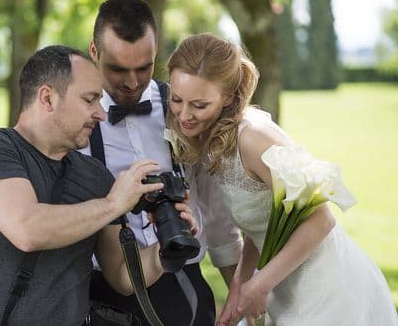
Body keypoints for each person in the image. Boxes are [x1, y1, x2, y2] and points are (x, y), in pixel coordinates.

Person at [0, 45, 196, 325]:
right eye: (90, 100)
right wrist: (114, 203)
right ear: (48, 98)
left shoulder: (95, 176)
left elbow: (122, 275)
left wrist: (165, 251)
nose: (100, 114)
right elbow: (28, 229)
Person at [164, 33, 398, 326]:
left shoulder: (253, 138)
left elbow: (321, 220)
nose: (184, 115)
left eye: (199, 105)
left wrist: (260, 286)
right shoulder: (217, 141)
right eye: (176, 100)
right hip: (284, 286)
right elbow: (262, 218)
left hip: (325, 289)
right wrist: (240, 285)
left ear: (227, 97)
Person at [80, 0, 243, 326]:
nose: (131, 82)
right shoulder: (76, 121)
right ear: (94, 53)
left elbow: (220, 223)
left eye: (144, 68)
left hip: (185, 287)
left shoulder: (184, 111)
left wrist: (240, 298)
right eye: (118, 69)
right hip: (104, 298)